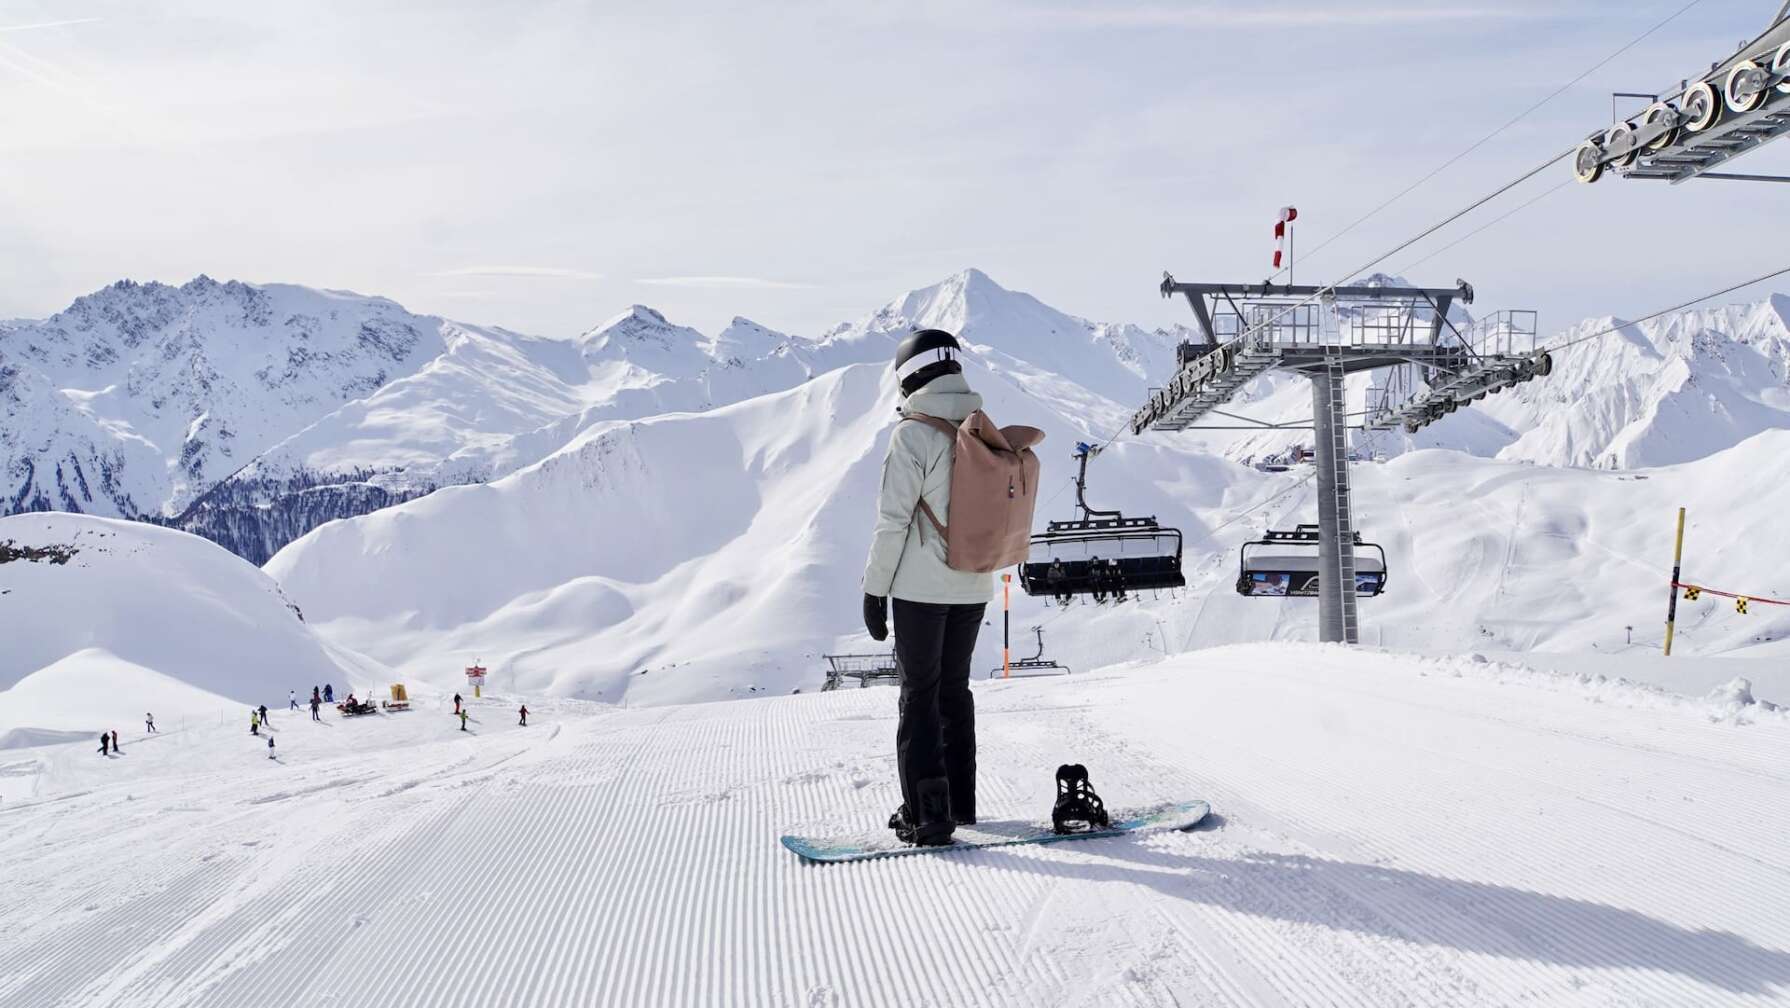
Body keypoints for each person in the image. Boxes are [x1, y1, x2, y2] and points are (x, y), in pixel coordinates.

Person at [862, 329, 1000, 847]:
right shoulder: (980, 425)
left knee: (918, 697)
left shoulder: (913, 433)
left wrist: (875, 591)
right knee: (953, 692)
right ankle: (960, 803)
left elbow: (893, 521)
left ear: (910, 376)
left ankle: (928, 815)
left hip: (921, 591)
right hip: (975, 583)